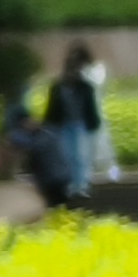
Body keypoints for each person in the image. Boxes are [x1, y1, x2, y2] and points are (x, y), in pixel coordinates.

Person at [48, 41, 114, 197]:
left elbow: (91, 108)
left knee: (80, 156)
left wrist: (94, 123)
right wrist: (49, 125)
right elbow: (52, 109)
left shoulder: (85, 88)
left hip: (80, 125)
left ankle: (81, 185)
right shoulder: (58, 87)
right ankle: (71, 185)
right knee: (67, 155)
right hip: (64, 125)